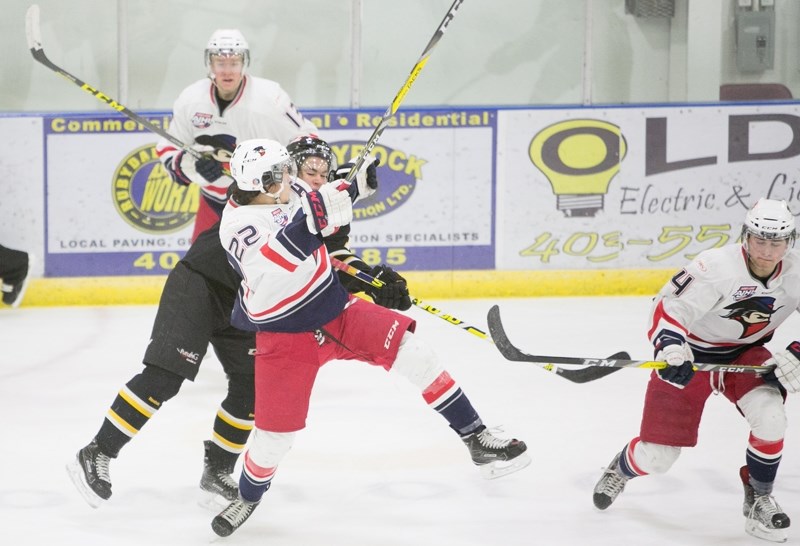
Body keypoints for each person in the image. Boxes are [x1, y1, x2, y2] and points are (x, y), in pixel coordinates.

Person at [210, 138, 530, 537]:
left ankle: (477, 438)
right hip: (285, 333)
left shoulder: (289, 192)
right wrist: (343, 195)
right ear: (262, 182)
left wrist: (369, 269)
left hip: (334, 309)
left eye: (291, 172)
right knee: (276, 438)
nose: (292, 180)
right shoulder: (237, 226)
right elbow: (286, 253)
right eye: (282, 175)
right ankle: (249, 496)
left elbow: (328, 237)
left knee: (416, 354)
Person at [67, 137, 410, 509]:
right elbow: (301, 242)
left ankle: (216, 471)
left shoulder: (297, 196)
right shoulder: (264, 205)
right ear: (274, 177)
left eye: (321, 173)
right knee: (165, 376)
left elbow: (327, 254)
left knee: (250, 386)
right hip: (200, 285)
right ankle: (97, 451)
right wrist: (346, 196)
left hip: (246, 302)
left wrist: (372, 276)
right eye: (306, 171)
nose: (313, 178)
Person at [592, 198, 800, 543]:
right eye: (759, 240)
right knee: (657, 458)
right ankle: (622, 467)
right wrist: (672, 348)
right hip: (691, 356)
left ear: (789, 242)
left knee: (772, 417)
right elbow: (668, 308)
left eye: (776, 242)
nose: (767, 251)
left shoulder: (796, 271)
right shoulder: (714, 267)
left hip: (745, 357)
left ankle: (759, 497)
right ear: (745, 236)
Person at [156, 28, 318, 242]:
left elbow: (308, 140)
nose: (227, 71)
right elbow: (169, 149)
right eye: (221, 63)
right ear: (210, 64)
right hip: (213, 203)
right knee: (196, 270)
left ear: (244, 63)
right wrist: (193, 168)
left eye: (234, 63)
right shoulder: (191, 99)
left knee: (260, 269)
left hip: (262, 205)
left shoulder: (270, 99)